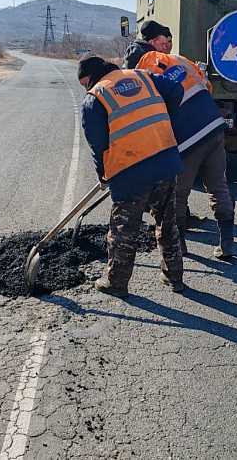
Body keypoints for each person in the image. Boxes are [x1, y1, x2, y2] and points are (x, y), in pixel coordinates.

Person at [77, 53, 185, 296]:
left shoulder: (95, 98)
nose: (85, 88)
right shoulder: (142, 76)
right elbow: (176, 90)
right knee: (167, 222)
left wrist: (103, 175)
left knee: (123, 228)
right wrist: (164, 124)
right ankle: (174, 277)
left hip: (129, 169)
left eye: (84, 83)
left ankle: (116, 282)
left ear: (92, 77)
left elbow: (98, 146)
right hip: (164, 158)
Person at [135, 48, 235, 259]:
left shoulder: (148, 71)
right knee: (218, 185)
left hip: (187, 139)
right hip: (214, 126)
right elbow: (207, 86)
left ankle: (180, 243)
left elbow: (152, 110)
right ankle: (227, 244)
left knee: (178, 193)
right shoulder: (182, 60)